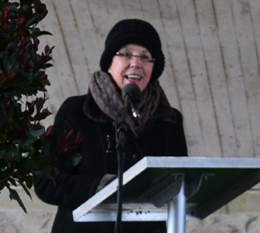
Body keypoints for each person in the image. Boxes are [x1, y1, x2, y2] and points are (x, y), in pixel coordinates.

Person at [34, 18, 188, 233]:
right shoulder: (77, 111)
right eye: (125, 54)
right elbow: (47, 183)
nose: (136, 63)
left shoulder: (169, 119)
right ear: (109, 63)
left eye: (145, 57)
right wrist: (102, 187)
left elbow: (179, 185)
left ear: (154, 68)